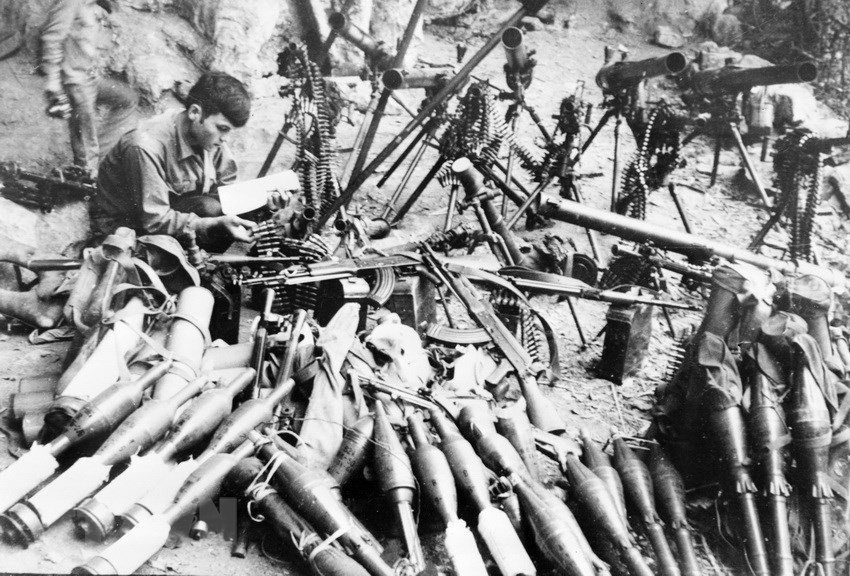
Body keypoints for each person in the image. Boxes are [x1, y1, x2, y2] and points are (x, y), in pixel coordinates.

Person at [90, 72, 256, 252]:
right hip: (129, 224)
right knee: (212, 215)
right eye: (222, 129)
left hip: (169, 208)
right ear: (194, 112)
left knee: (222, 213)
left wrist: (264, 204)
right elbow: (154, 220)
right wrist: (210, 223)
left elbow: (226, 189)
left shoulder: (204, 135)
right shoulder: (145, 146)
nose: (224, 139)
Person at [41, 0, 138, 176]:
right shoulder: (69, 3)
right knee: (86, 142)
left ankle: (101, 160)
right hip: (74, 81)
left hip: (90, 78)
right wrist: (53, 82)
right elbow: (52, 39)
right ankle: (86, 178)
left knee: (127, 99)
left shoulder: (92, 5)